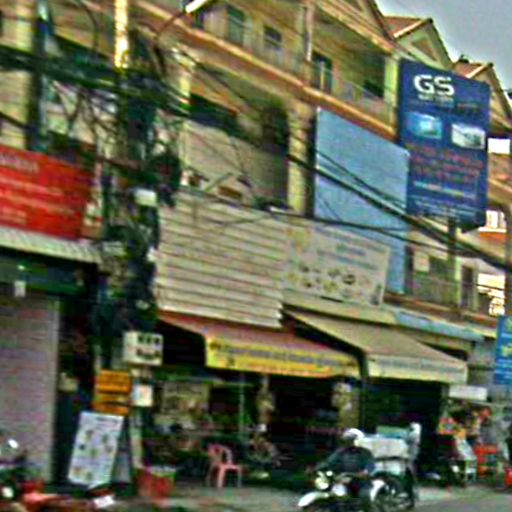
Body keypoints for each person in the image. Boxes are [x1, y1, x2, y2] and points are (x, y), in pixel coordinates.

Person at [316, 428, 376, 512]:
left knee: (364, 496)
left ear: (357, 441)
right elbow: (329, 462)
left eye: (350, 440)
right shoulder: (341, 452)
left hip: (361, 482)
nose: (347, 443)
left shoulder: (365, 453)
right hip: (343, 480)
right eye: (346, 440)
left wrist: (365, 472)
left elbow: (370, 465)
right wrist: (317, 468)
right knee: (334, 495)